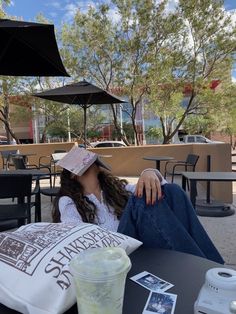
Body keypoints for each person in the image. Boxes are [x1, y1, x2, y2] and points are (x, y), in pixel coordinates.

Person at [52, 146, 224, 264]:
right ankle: (200, 269)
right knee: (142, 200)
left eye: (94, 163)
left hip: (137, 242)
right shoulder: (69, 201)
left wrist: (148, 172)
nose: (95, 167)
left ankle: (213, 266)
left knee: (172, 191)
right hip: (113, 253)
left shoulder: (114, 189)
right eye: (89, 165)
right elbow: (76, 236)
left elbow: (155, 186)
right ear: (74, 175)